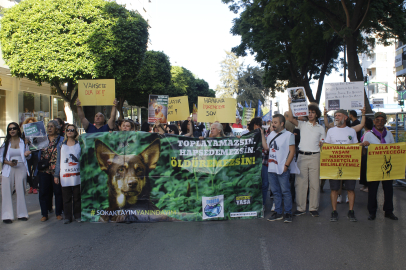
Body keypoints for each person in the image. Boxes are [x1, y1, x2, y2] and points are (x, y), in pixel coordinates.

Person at [287, 100, 325, 217]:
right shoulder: (302, 124)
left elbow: (323, 142)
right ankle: (301, 208)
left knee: (315, 184)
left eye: (313, 112)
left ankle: (313, 208)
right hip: (302, 156)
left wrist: (322, 144)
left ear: (317, 114)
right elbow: (290, 118)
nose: (310, 114)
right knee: (300, 183)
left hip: (315, 156)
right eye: (308, 112)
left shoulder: (321, 128)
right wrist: (290, 104)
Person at [360, 112, 398, 221]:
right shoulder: (368, 134)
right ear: (374, 121)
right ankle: (372, 212)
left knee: (388, 189)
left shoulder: (389, 134)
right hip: (374, 166)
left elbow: (394, 149)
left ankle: (389, 211)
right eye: (377, 120)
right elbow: (363, 153)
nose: (380, 122)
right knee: (372, 190)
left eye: (382, 120)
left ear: (385, 122)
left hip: (387, 165)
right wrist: (364, 145)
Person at [261, 114, 298, 223]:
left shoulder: (289, 135)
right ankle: (278, 212)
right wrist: (262, 134)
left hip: (282, 168)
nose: (273, 124)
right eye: (272, 122)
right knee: (275, 192)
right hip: (271, 168)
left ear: (282, 123)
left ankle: (288, 212)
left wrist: (286, 165)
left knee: (285, 191)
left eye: (275, 122)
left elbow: (292, 151)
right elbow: (267, 148)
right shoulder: (271, 134)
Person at [324, 110, 359, 222]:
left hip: (349, 165)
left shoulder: (351, 131)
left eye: (339, 115)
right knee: (334, 189)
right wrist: (322, 145)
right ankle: (334, 211)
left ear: (345, 117)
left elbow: (355, 146)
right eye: (335, 116)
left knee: (350, 189)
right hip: (334, 165)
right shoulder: (331, 131)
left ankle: (351, 212)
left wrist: (362, 145)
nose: (337, 117)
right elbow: (327, 146)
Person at [0, 123, 31, 224]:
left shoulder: (23, 142)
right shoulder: (6, 143)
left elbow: (28, 156)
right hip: (8, 168)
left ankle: (22, 214)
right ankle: (7, 216)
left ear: (18, 130)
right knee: (6, 191)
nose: (12, 130)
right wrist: (7, 162)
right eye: (10, 129)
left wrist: (27, 154)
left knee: (21, 190)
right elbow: (1, 157)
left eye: (14, 128)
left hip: (21, 167)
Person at [36, 120, 64, 222]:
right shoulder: (42, 140)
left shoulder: (61, 140)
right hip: (44, 170)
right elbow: (34, 150)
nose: (49, 128)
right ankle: (44, 213)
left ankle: (58, 213)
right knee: (43, 192)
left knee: (58, 192)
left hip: (56, 170)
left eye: (52, 126)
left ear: (57, 128)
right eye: (48, 126)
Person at [54, 124, 82, 224]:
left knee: (77, 196)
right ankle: (67, 216)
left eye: (72, 130)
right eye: (68, 130)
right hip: (65, 175)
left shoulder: (79, 145)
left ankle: (77, 215)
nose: (69, 131)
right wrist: (56, 175)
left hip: (77, 175)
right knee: (66, 197)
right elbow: (58, 161)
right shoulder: (61, 145)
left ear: (75, 132)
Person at [22, 117, 39, 194]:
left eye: (31, 123)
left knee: (36, 170)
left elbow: (40, 143)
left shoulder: (38, 133)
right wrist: (25, 142)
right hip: (27, 153)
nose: (30, 125)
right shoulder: (23, 133)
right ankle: (31, 185)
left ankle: (35, 187)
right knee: (28, 170)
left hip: (35, 152)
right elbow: (21, 144)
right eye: (28, 123)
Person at [359, 117, 373, 192]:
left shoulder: (369, 133)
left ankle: (368, 186)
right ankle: (365, 185)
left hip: (367, 152)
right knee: (364, 170)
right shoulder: (365, 132)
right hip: (364, 152)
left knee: (367, 170)